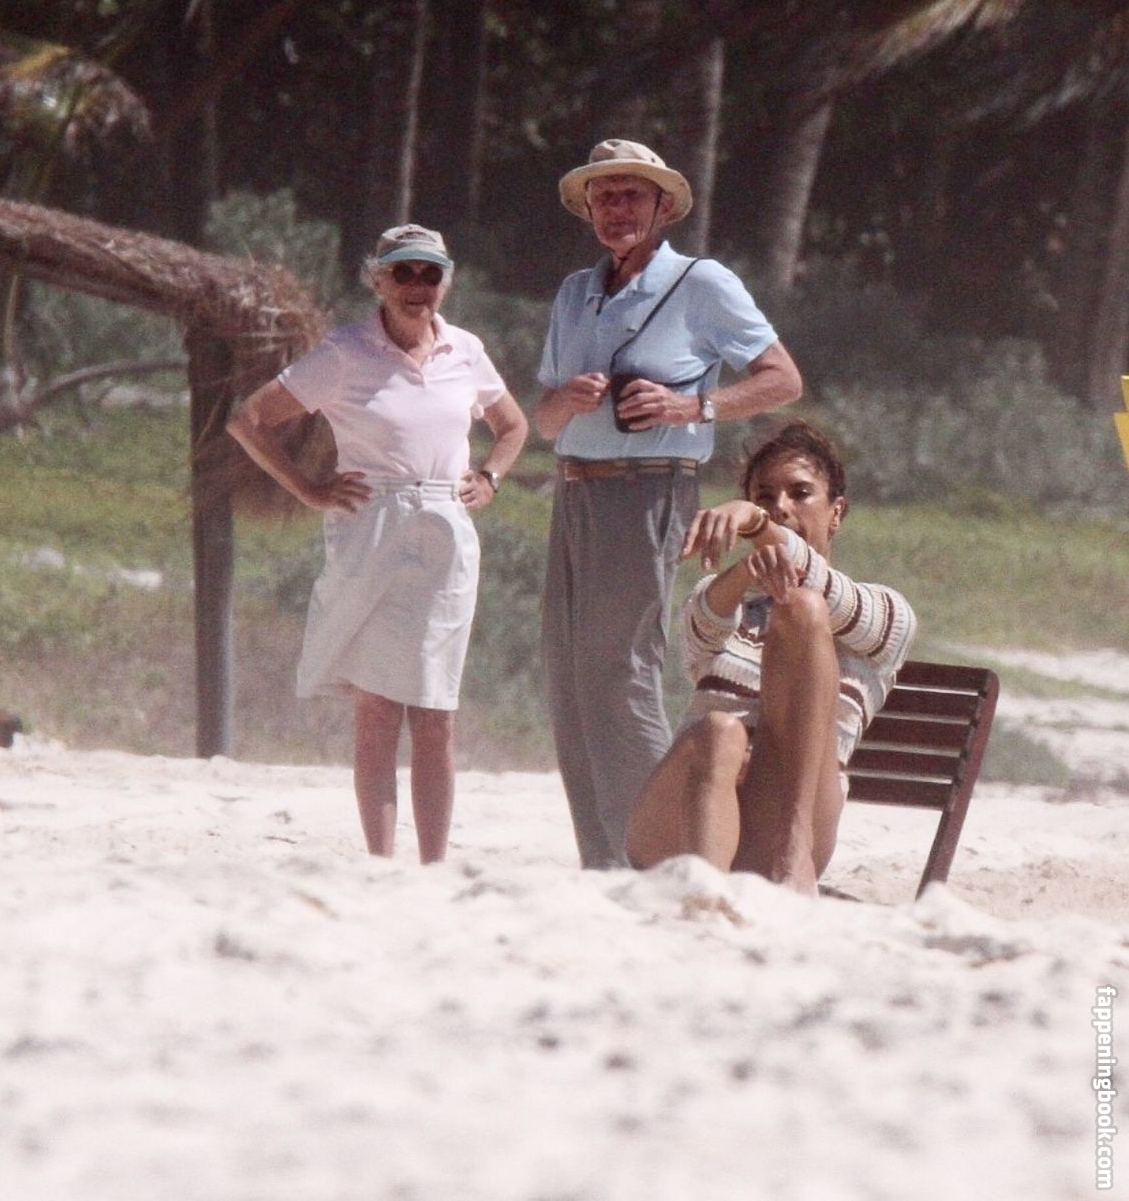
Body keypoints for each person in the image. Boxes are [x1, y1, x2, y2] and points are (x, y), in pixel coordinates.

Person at [536, 138, 804, 869]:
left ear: (663, 206)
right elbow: (545, 423)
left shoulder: (700, 282)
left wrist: (692, 406)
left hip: (648, 488)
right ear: (588, 208)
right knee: (569, 679)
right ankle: (605, 861)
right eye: (604, 196)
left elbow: (782, 379)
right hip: (574, 490)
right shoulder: (575, 292)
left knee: (620, 672)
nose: (616, 208)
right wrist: (566, 400)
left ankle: (667, 855)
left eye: (631, 194)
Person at [229, 224, 529, 863]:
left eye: (430, 273)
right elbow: (249, 419)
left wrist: (489, 478)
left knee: (436, 709)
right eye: (403, 272)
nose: (417, 286)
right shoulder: (344, 353)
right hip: (371, 526)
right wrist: (309, 489)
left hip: (445, 528)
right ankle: (381, 864)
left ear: (445, 281)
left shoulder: (466, 351)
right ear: (378, 280)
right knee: (377, 707)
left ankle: (434, 865)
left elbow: (512, 425)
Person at [625, 423, 915, 894]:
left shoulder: (886, 614)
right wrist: (744, 571)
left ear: (837, 512)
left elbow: (820, 590)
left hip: (782, 816)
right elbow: (702, 627)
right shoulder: (722, 601)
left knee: (803, 609)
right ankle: (708, 897)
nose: (780, 507)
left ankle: (791, 846)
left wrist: (759, 526)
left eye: (800, 493)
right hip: (684, 818)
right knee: (719, 731)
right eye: (764, 497)